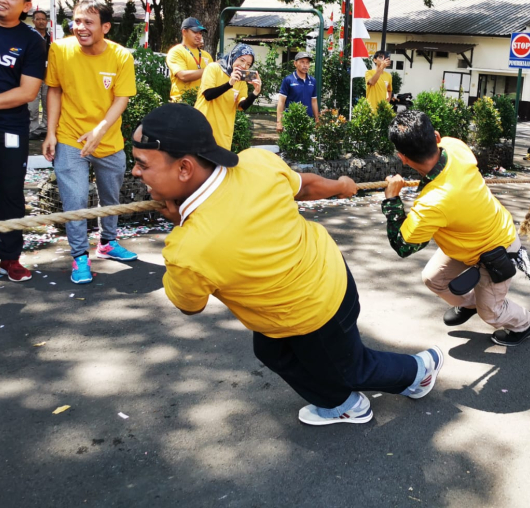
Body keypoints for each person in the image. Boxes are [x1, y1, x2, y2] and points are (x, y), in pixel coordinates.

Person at [130, 103, 444, 426]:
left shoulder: (187, 249)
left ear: (184, 169)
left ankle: (418, 372)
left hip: (315, 311)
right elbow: (304, 186)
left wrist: (182, 224)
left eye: (141, 164)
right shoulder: (255, 162)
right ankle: (339, 402)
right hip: (327, 276)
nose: (135, 173)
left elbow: (190, 304)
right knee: (270, 350)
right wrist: (340, 186)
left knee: (353, 368)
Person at [382, 111, 530, 347]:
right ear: (436, 137)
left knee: (491, 314)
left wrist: (392, 200)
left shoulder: (433, 203)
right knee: (432, 278)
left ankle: (526, 323)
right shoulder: (454, 146)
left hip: (497, 248)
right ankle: (469, 304)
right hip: (466, 242)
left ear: (402, 158)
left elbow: (403, 246)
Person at [42, 0, 138, 284]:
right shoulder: (60, 49)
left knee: (111, 199)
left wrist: (100, 130)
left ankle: (107, 243)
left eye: (88, 22)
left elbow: (122, 98)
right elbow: (55, 91)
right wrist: (50, 132)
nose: (79, 27)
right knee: (75, 202)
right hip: (70, 138)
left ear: (105, 27)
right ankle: (79, 257)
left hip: (108, 141)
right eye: (77, 21)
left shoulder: (121, 56)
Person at [0, 0, 47, 283]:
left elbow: (28, 92)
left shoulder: (32, 41)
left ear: (26, 5)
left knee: (12, 192)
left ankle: (10, 259)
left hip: (11, 127)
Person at [195, 43, 261, 149]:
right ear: (233, 56)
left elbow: (242, 106)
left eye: (248, 64)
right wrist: (229, 84)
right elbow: (208, 95)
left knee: (219, 165)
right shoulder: (213, 68)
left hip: (223, 134)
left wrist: (255, 93)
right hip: (202, 129)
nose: (244, 66)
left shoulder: (241, 81)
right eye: (242, 60)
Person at [165, 17, 213, 102]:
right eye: (195, 32)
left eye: (200, 33)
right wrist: (210, 69)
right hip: (182, 103)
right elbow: (183, 76)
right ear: (184, 32)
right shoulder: (176, 51)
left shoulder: (207, 55)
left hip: (203, 104)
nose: (199, 36)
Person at [277, 51, 318, 133]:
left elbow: (314, 101)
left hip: (308, 122)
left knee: (307, 145)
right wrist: (279, 122)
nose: (305, 65)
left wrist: (317, 119)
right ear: (295, 63)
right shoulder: (288, 80)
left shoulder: (312, 81)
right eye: (302, 62)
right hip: (291, 122)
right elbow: (281, 102)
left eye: (307, 62)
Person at [28, 9, 51, 139]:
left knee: (48, 102)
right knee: (33, 105)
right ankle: (33, 129)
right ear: (33, 21)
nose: (41, 21)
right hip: (32, 76)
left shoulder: (51, 39)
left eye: (43, 19)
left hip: (48, 76)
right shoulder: (29, 37)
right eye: (38, 19)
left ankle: (45, 128)